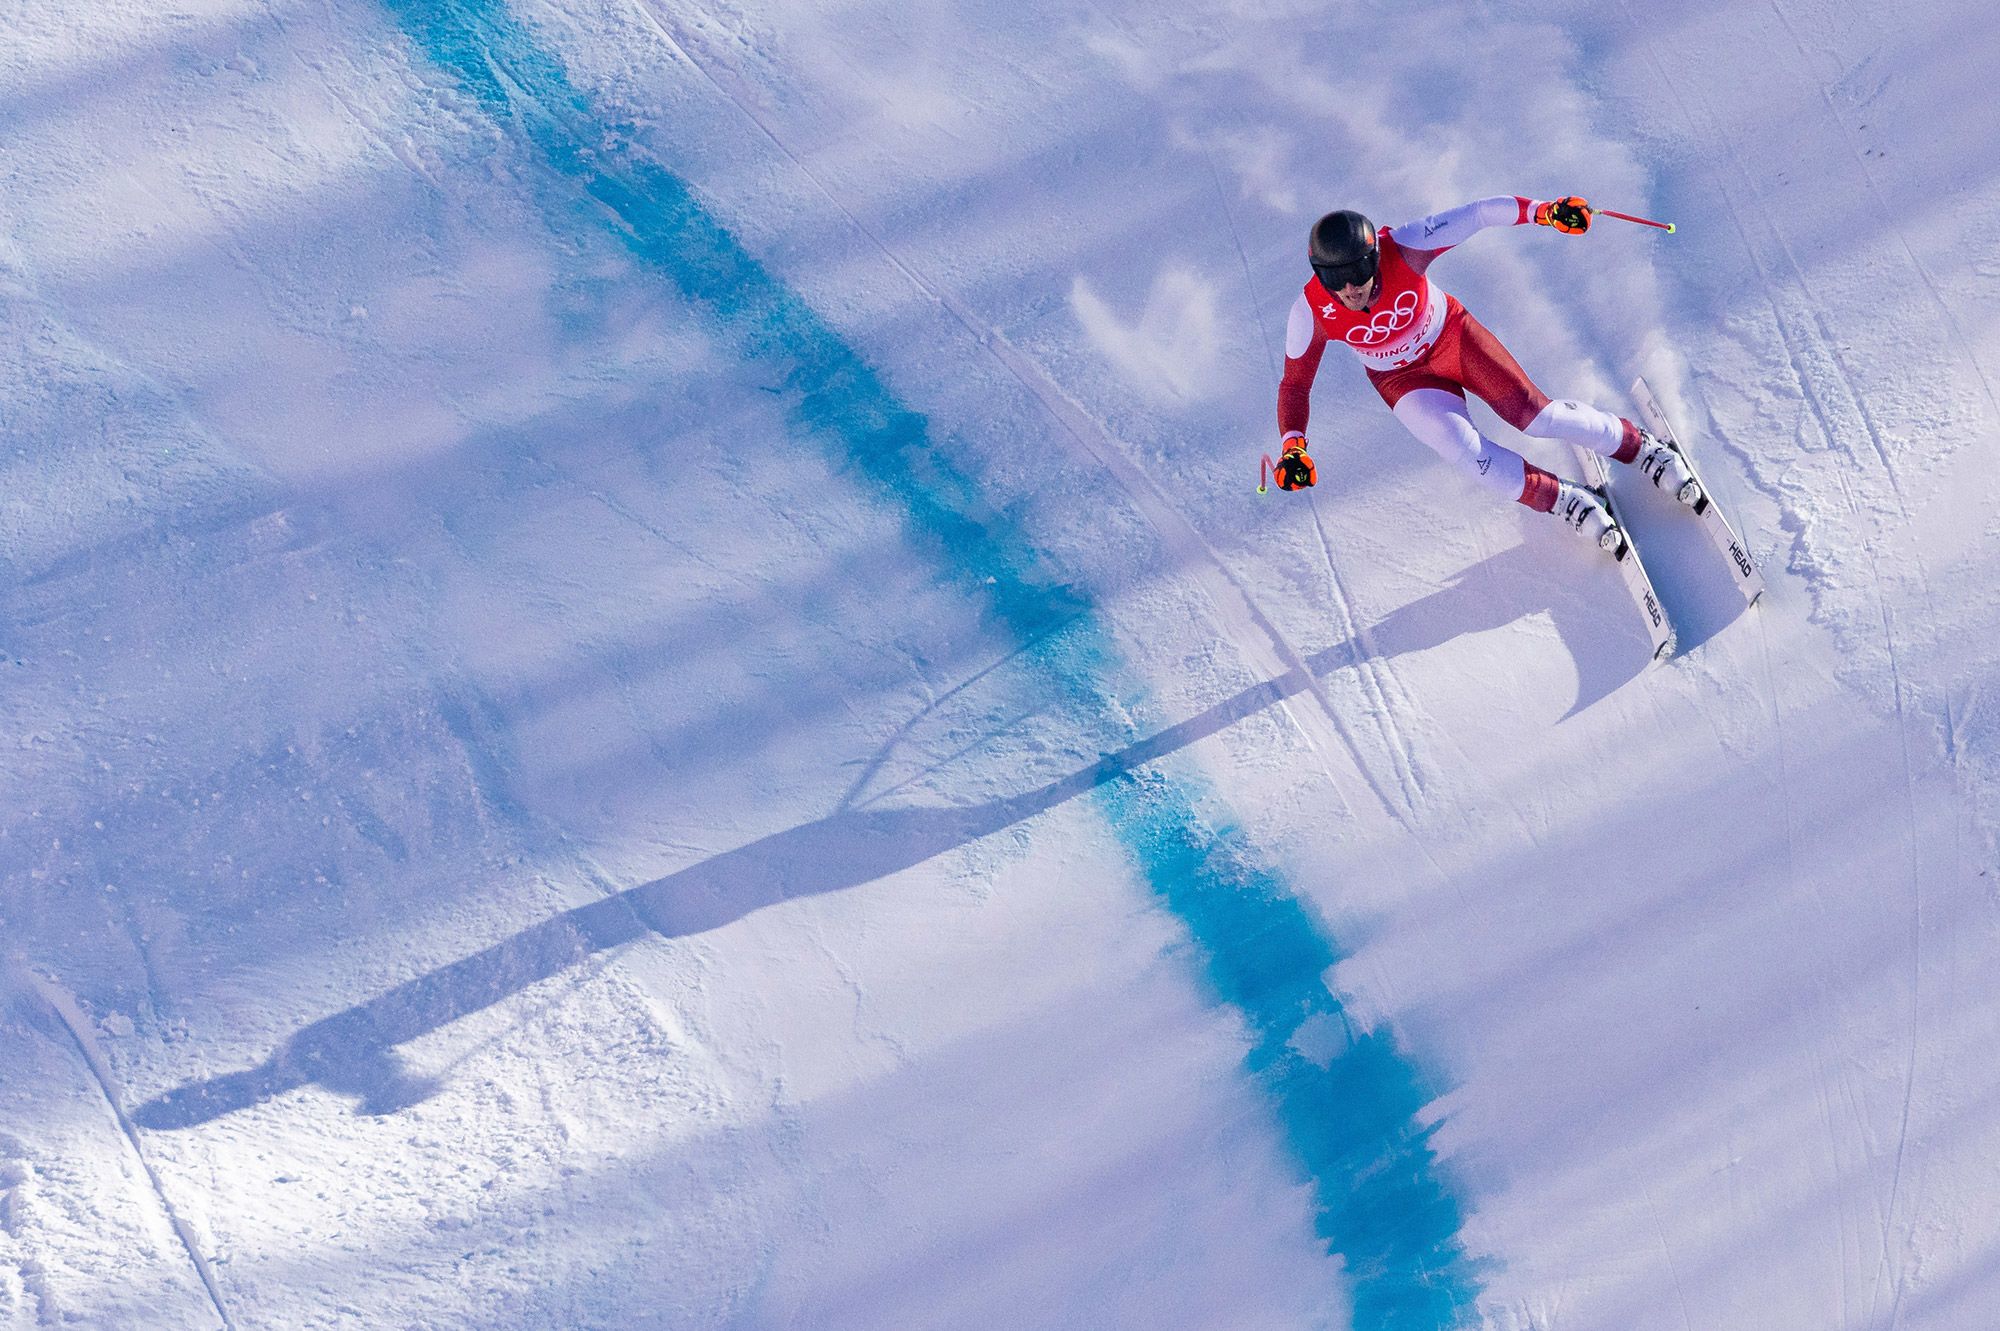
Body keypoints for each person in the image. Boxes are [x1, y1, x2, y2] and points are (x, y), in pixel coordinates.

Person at [1269, 197, 1699, 552]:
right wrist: (1293, 447)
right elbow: (1295, 383)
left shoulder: (1404, 246)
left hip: (1452, 338)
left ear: (1374, 256)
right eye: (1335, 278)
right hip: (1402, 381)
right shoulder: (1310, 312)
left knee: (1536, 417)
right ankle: (1562, 499)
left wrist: (1544, 212)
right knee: (1469, 455)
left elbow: (1476, 215)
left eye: (1359, 271)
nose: (1350, 287)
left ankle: (1640, 447)